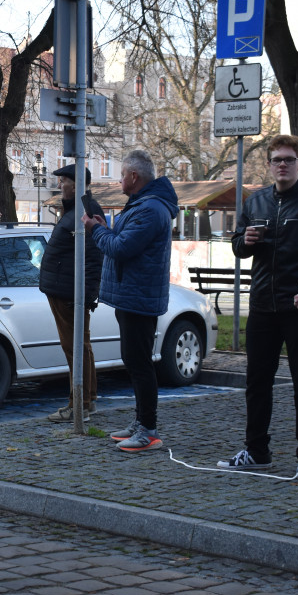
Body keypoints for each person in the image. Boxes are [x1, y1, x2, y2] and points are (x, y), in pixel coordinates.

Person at [217, 135, 298, 480]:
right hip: (262, 305)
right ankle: (257, 450)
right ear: (269, 164)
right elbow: (237, 245)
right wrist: (243, 241)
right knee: (257, 381)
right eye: (276, 160)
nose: (282, 165)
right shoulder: (256, 201)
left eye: (289, 159)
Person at [82, 150, 178, 451]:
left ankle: (148, 430)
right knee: (134, 361)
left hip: (139, 298)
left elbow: (122, 248)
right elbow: (123, 241)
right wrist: (105, 227)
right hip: (132, 296)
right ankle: (141, 422)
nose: (119, 179)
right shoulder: (143, 205)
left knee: (139, 364)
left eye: (122, 174)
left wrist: (96, 230)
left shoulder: (150, 209)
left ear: (134, 177)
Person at [39, 164, 104, 423]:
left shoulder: (85, 211)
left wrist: (87, 295)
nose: (59, 185)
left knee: (74, 347)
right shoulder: (76, 210)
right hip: (65, 289)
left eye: (64, 181)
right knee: (80, 346)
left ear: (76, 184)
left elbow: (92, 257)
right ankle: (88, 400)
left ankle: (79, 405)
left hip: (69, 293)